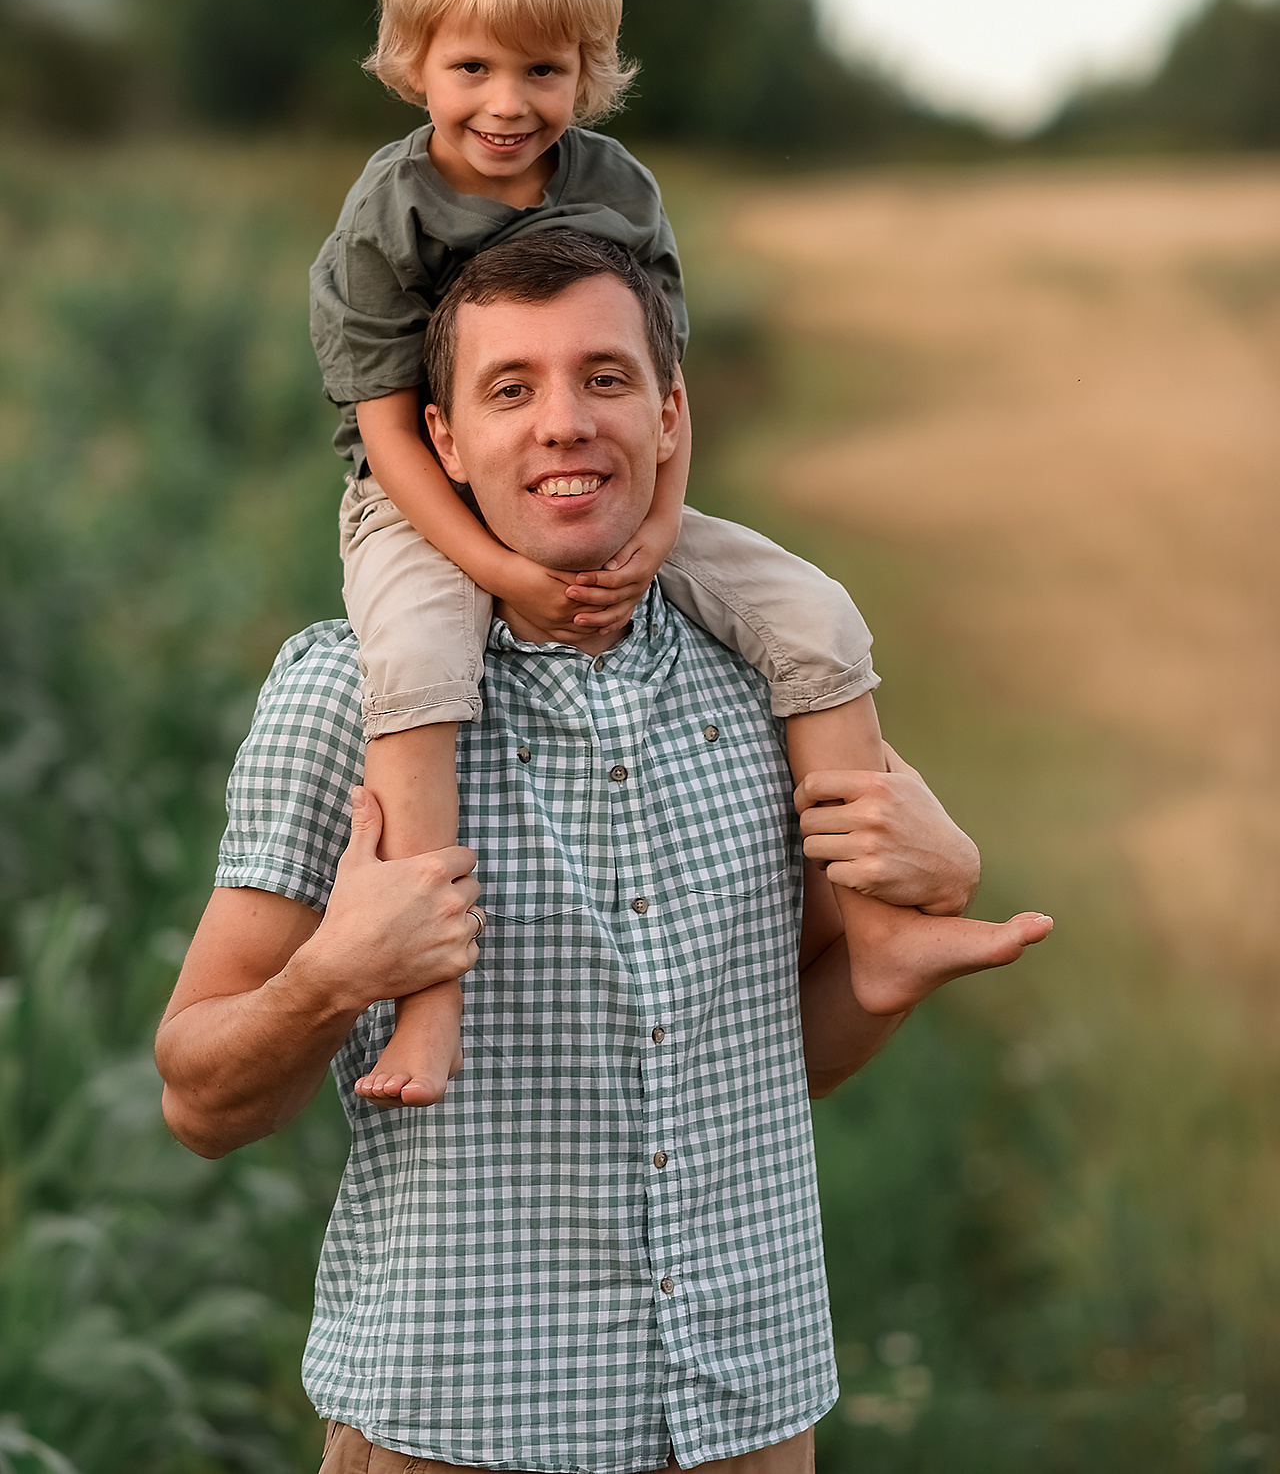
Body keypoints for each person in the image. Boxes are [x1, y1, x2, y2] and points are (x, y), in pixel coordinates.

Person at [156, 235, 1051, 1474]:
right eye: (510, 390)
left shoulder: (774, 688)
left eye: (606, 379)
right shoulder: (347, 701)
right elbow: (198, 1101)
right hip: (453, 1427)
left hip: (743, 1416)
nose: (563, 424)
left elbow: (739, 1089)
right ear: (443, 441)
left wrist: (896, 946)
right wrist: (331, 977)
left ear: (669, 409)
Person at [307, 0, 1041, 1110]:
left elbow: (664, 390)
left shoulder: (618, 193)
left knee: (810, 611)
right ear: (411, 62)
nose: (506, 103)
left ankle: (876, 927)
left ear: (586, 70)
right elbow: (384, 423)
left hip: (606, 495)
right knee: (418, 666)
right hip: (422, 504)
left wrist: (651, 539)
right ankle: (429, 997)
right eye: (473, 67)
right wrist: (496, 573)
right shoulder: (387, 213)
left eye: (542, 71)